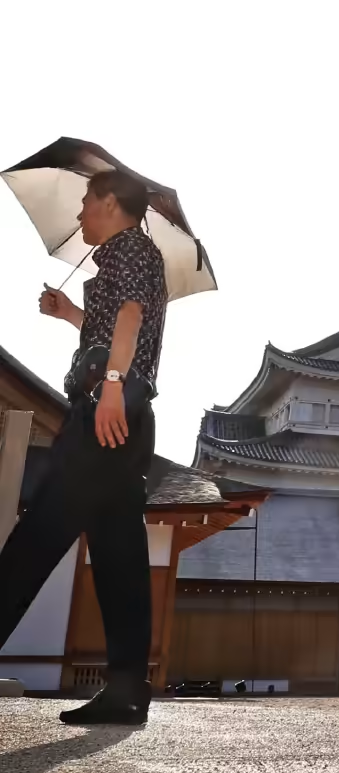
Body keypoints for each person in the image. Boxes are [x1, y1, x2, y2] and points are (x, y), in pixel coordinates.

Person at [0, 171, 166, 725]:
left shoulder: (131, 247)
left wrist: (113, 386)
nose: (79, 215)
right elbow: (111, 324)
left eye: (86, 202)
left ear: (112, 203)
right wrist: (71, 313)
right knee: (120, 556)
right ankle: (125, 689)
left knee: (38, 533)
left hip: (106, 412)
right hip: (124, 416)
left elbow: (130, 316)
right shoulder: (127, 255)